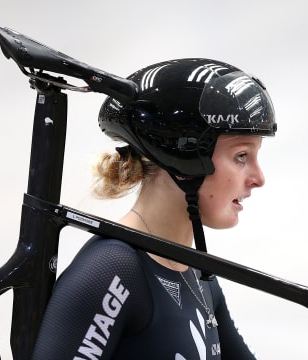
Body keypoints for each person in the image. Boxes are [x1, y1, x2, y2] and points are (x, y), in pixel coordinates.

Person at [31, 58, 277, 359]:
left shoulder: (199, 273)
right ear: (184, 158)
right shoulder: (114, 269)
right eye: (241, 156)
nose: (259, 178)